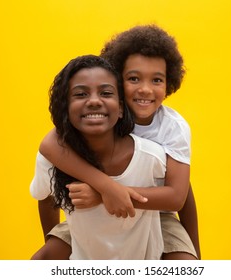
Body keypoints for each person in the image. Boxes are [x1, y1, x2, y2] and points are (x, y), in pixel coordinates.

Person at [34, 24, 200, 260]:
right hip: (93, 215)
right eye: (133, 78)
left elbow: (180, 195)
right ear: (117, 80)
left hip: (156, 214)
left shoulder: (172, 128)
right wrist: (106, 187)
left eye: (157, 80)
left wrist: (103, 194)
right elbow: (50, 144)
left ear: (169, 83)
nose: (145, 89)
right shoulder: (103, 115)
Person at [30, 55, 166, 259]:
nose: (94, 101)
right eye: (81, 94)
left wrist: (102, 193)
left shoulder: (150, 155)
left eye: (105, 93)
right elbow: (46, 198)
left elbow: (180, 193)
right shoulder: (52, 158)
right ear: (65, 107)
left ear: (121, 108)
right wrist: (53, 245)